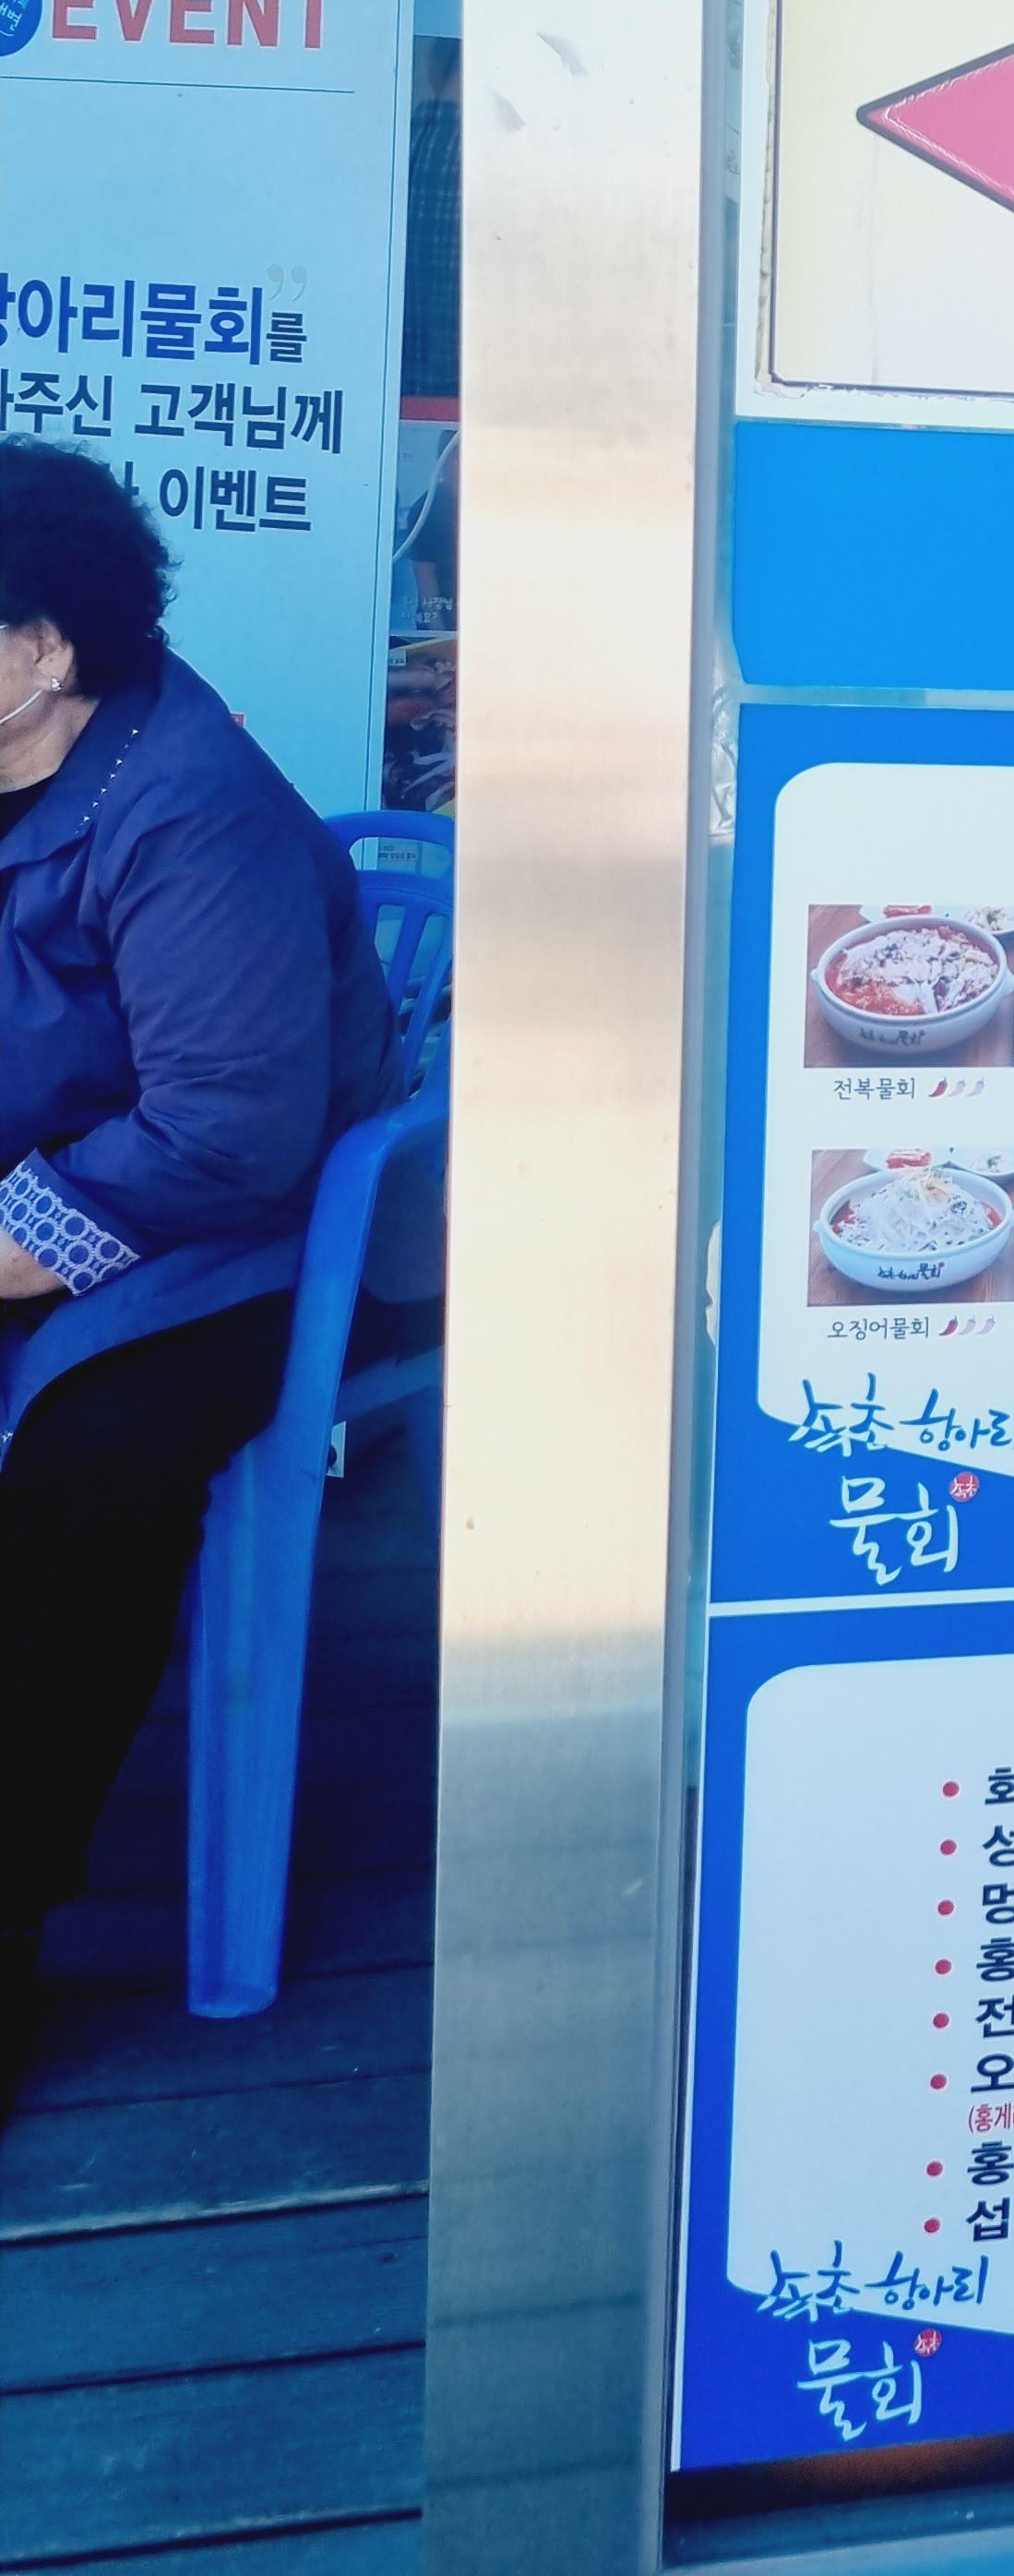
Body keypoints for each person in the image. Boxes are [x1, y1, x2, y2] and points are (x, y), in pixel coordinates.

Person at [0, 445, 396, 2105]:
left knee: (91, 1466)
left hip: (260, 1236)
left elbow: (232, 1133)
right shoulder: (27, 761)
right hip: (72, 1187)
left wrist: (15, 1247)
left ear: (41, 651)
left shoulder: (187, 806)